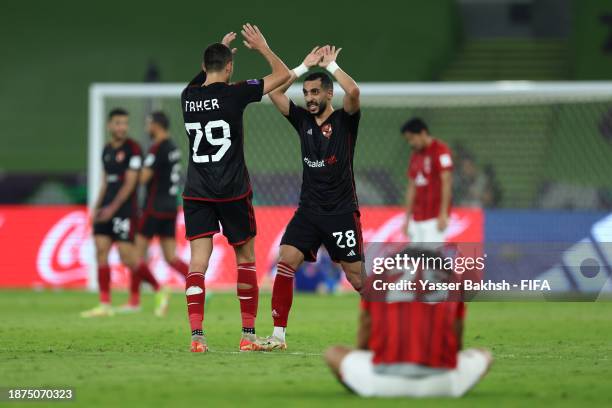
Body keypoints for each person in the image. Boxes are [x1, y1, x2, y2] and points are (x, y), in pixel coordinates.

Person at [180, 26, 290, 352]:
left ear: (203, 67)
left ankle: (197, 337)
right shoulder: (235, 92)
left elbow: (199, 81)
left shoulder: (188, 98)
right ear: (229, 67)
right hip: (232, 190)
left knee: (198, 262)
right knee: (245, 258)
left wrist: (218, 52)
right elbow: (281, 75)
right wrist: (263, 47)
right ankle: (247, 335)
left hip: (197, 190)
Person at [260, 45, 363, 351]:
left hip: (341, 212)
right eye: (306, 93)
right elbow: (275, 94)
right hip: (308, 211)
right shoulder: (302, 121)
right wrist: (302, 67)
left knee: (357, 279)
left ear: (329, 94)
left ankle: (392, 324)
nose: (309, 98)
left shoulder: (346, 121)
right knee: (286, 261)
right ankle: (278, 336)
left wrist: (331, 66)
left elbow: (354, 91)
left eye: (315, 92)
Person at [324, 247, 493, 398]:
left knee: (333, 352)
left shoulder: (379, 276)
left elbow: (365, 326)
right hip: (443, 382)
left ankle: (362, 388)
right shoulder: (451, 278)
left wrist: (363, 357)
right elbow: (456, 335)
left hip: (382, 381)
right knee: (484, 355)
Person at [82, 108, 162, 317]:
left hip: (124, 210)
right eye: (118, 123)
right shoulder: (106, 150)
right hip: (106, 208)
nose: (122, 127)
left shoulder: (133, 149)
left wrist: (111, 209)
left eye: (125, 123)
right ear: (110, 125)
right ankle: (104, 304)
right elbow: (104, 183)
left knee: (128, 257)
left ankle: (159, 289)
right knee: (101, 251)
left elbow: (130, 184)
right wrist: (96, 207)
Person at [118, 111, 188, 315]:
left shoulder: (157, 148)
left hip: (153, 208)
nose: (147, 128)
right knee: (170, 256)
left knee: (135, 255)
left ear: (156, 125)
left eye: (149, 123)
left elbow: (142, 179)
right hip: (170, 207)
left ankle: (135, 300)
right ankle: (198, 285)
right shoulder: (173, 147)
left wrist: (129, 170)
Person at [401, 118, 453, 246]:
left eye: (412, 138)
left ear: (423, 133)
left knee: (432, 260)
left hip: (435, 218)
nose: (411, 143)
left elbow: (446, 182)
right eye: (408, 140)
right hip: (417, 218)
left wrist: (443, 214)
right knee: (415, 261)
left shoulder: (441, 150)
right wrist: (407, 219)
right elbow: (411, 187)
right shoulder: (415, 155)